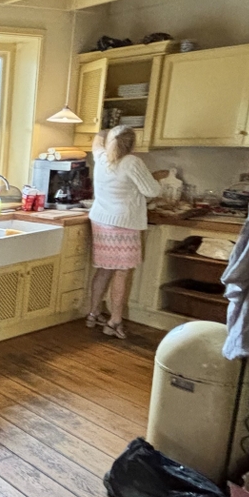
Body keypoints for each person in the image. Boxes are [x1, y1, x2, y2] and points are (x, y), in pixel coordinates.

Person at [86, 125, 162, 339]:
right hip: (123, 224)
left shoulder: (101, 158)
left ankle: (93, 314)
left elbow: (96, 142)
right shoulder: (132, 162)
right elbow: (152, 190)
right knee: (121, 272)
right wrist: (156, 177)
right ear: (132, 144)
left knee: (104, 269)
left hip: (101, 221)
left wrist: (103, 132)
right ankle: (114, 321)